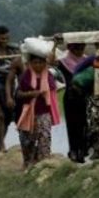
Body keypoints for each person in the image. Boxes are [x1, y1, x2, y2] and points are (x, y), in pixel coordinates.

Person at [16, 38, 60, 168]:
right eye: (35, 63)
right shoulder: (27, 75)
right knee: (28, 139)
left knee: (45, 137)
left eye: (41, 62)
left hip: (43, 112)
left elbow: (52, 60)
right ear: (30, 63)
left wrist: (55, 44)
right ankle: (28, 163)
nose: (38, 66)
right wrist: (32, 94)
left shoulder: (49, 75)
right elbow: (19, 94)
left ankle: (43, 163)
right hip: (29, 111)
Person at [0, 26, 21, 152]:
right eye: (2, 38)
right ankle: (1, 144)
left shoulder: (12, 51)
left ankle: (1, 143)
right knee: (0, 115)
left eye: (7, 38)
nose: (5, 41)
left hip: (10, 85)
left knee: (7, 117)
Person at [58, 41, 91, 163]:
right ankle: (73, 151)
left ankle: (82, 152)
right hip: (71, 97)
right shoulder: (64, 62)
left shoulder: (88, 62)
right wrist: (55, 44)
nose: (79, 50)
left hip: (86, 96)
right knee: (72, 125)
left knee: (85, 125)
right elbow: (50, 62)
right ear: (70, 48)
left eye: (82, 47)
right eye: (76, 48)